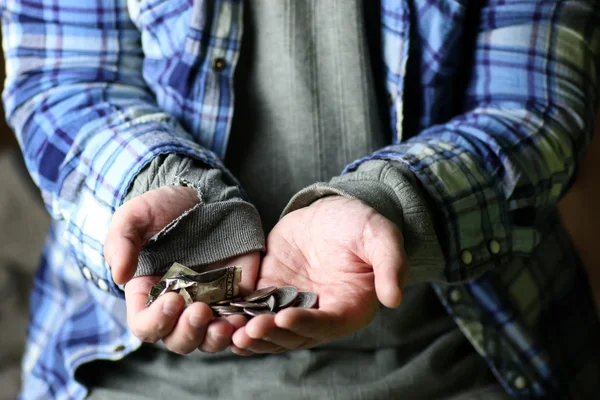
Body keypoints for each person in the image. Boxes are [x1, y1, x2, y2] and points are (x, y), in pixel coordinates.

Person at [2, 0, 599, 398]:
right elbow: (64, 80)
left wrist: (392, 204)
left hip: (465, 348)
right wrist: (157, 184)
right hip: (126, 357)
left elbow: (535, 107)